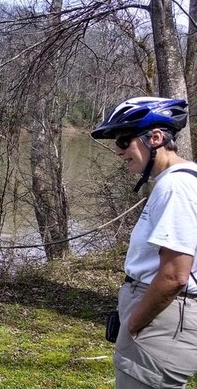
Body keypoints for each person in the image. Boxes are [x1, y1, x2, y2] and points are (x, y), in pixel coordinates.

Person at [91, 97, 197, 388]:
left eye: (124, 141)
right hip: (163, 316)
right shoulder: (176, 182)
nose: (118, 151)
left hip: (161, 320)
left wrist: (134, 323)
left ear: (156, 138)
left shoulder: (176, 186)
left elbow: (175, 275)